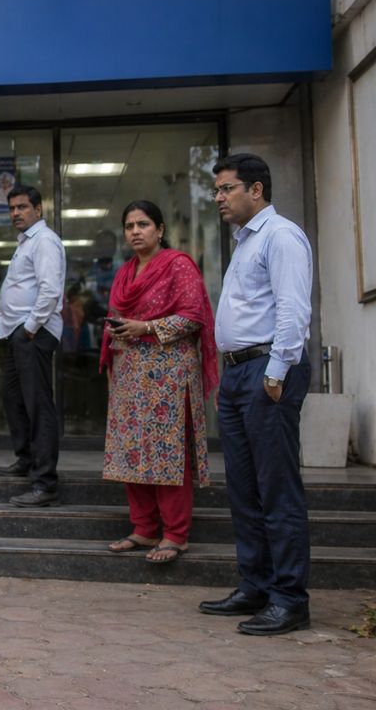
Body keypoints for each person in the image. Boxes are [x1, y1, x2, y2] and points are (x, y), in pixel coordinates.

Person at [199, 154, 313, 636]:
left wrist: (277, 370)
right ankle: (256, 585)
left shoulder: (281, 236)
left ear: (257, 190)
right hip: (238, 375)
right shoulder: (246, 242)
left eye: (227, 189)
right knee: (244, 490)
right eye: (218, 190)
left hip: (268, 371)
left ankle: (289, 598)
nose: (220, 199)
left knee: (277, 489)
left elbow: (293, 308)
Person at [100, 200, 218, 564]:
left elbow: (193, 317)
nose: (136, 231)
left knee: (168, 456)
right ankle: (144, 528)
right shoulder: (125, 273)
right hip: (129, 375)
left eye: (144, 224)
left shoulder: (178, 265)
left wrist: (147, 327)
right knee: (132, 454)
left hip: (168, 374)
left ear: (160, 230)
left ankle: (176, 535)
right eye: (129, 225)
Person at [0, 185, 66, 507]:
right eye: (12, 209)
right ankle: (26, 459)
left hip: (33, 333)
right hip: (18, 334)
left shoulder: (45, 241)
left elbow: (50, 290)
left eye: (22, 207)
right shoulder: (27, 242)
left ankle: (45, 482)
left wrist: (30, 328)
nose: (16, 214)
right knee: (13, 397)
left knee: (37, 404)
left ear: (38, 209)